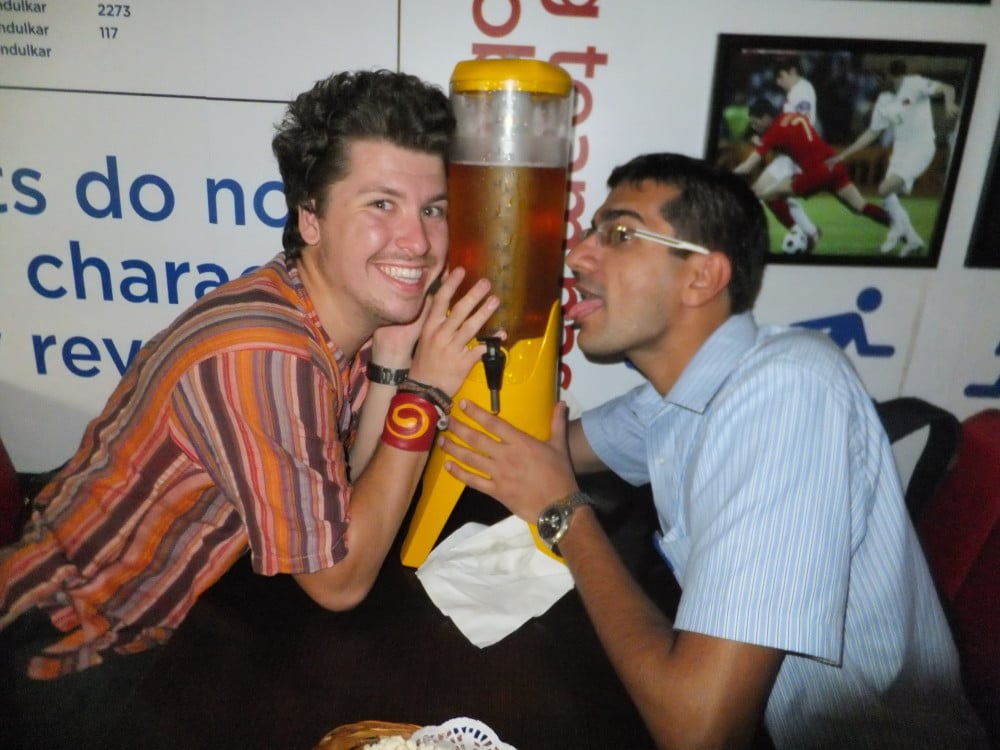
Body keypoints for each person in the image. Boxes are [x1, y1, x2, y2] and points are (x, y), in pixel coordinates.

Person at [0, 69, 498, 745]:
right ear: (311, 218)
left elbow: (342, 492)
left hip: (171, 617)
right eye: (381, 204)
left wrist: (392, 363)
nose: (417, 241)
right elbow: (340, 581)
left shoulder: (325, 309)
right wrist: (427, 393)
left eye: (433, 208)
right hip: (70, 651)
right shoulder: (265, 353)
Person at [440, 153, 987, 748]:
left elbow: (699, 729)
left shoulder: (785, 391)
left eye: (619, 234)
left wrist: (564, 514)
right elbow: (529, 454)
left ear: (702, 277)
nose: (577, 255)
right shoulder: (678, 396)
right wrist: (429, 372)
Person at [827, 59, 960, 256]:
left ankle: (897, 228)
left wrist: (949, 103)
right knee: (887, 198)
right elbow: (872, 133)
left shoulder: (915, 83)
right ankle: (913, 240)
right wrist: (844, 155)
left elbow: (947, 88)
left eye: (879, 77)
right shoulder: (883, 99)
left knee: (884, 189)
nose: (875, 81)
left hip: (921, 147)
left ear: (890, 76)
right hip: (900, 151)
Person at [734, 98, 895, 253]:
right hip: (832, 165)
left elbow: (748, 166)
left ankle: (800, 234)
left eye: (756, 122)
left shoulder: (774, 132)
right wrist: (763, 142)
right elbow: (793, 141)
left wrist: (727, 178)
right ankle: (898, 226)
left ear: (767, 117)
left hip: (814, 173)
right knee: (860, 206)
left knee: (768, 195)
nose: (755, 127)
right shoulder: (793, 116)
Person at [755, 56, 822, 250]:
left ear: (792, 71)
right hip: (788, 154)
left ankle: (804, 233)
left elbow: (802, 124)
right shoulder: (795, 92)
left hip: (797, 155)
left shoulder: (803, 91)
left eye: (781, 76)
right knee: (763, 192)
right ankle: (809, 232)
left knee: (766, 193)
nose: (778, 82)